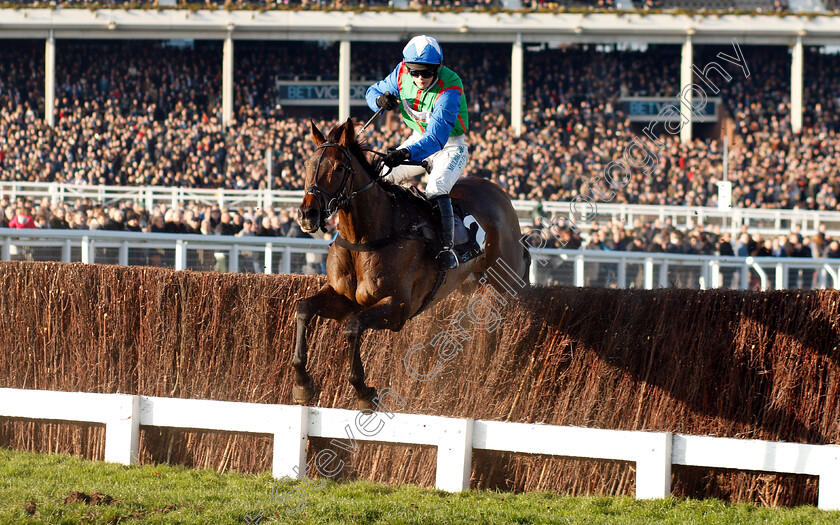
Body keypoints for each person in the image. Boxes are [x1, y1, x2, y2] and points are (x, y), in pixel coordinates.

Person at [365, 35, 470, 271]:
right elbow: (371, 91)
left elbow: (435, 139)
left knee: (435, 189)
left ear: (438, 68)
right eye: (415, 72)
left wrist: (404, 153)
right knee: (380, 176)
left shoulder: (451, 87)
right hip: (418, 138)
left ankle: (447, 249)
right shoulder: (401, 72)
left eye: (427, 73)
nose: (420, 78)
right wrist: (379, 100)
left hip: (449, 145)